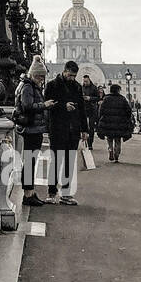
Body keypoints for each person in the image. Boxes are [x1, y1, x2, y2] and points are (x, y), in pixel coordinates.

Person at [43, 60, 87, 204]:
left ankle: (66, 194)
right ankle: (51, 192)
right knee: (56, 161)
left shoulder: (77, 87)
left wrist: (84, 129)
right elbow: (47, 106)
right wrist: (64, 106)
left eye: (74, 76)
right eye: (70, 75)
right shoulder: (52, 85)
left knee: (69, 162)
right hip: (57, 128)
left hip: (73, 129)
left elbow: (82, 109)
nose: (72, 78)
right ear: (65, 70)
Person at [12, 56, 50, 207]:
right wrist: (44, 105)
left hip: (34, 128)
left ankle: (31, 192)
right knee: (29, 162)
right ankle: (28, 194)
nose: (42, 79)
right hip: (31, 129)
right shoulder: (28, 87)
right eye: (40, 76)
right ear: (34, 74)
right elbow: (28, 106)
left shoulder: (29, 86)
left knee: (31, 162)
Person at [97, 82, 133, 162]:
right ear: (118, 90)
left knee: (109, 138)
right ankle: (117, 154)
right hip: (119, 123)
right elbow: (128, 111)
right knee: (118, 139)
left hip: (108, 122)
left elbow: (101, 110)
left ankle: (110, 149)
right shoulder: (122, 99)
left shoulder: (106, 98)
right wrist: (127, 119)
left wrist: (100, 119)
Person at [81, 73, 102, 148]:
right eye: (84, 81)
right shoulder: (81, 88)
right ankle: (85, 142)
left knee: (91, 127)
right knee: (84, 126)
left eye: (86, 81)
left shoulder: (94, 88)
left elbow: (98, 98)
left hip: (92, 110)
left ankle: (90, 143)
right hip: (84, 109)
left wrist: (90, 98)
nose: (85, 83)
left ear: (89, 80)